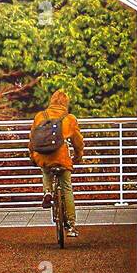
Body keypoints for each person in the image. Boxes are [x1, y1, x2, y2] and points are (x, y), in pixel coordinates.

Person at [29, 89, 85, 238]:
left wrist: (32, 157)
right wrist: (78, 156)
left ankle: (47, 191)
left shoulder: (40, 116)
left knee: (46, 170)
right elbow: (78, 142)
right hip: (61, 157)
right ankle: (71, 226)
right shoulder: (69, 118)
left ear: (52, 101)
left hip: (43, 155)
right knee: (66, 187)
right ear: (65, 103)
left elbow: (32, 139)